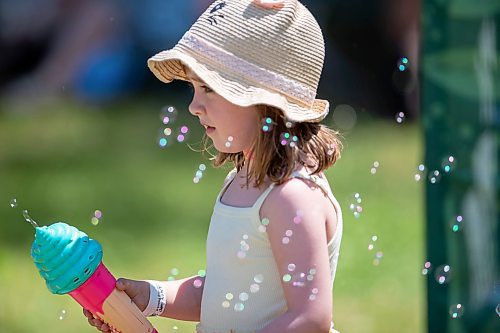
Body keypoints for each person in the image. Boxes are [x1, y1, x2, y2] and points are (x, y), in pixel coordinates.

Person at [84, 0, 344, 332]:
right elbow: (226, 293)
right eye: (193, 87)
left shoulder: (291, 198)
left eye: (209, 88)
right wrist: (152, 297)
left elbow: (311, 318)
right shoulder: (244, 181)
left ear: (263, 100)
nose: (194, 105)